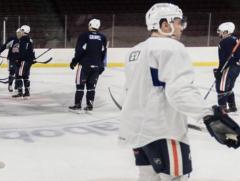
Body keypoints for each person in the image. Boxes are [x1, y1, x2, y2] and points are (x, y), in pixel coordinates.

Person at [119, 3, 240, 180]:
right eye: (178, 22)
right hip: (164, 132)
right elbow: (179, 92)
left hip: (136, 132)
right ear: (164, 25)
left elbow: (131, 90)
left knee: (147, 176)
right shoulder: (172, 48)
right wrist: (209, 116)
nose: (181, 27)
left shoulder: (134, 51)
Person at [68, 19, 107, 113]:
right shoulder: (103, 37)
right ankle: (89, 106)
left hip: (84, 65)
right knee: (91, 87)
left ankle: (78, 105)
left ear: (90, 25)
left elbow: (79, 51)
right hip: (97, 66)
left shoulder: (84, 36)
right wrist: (101, 65)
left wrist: (74, 61)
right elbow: (104, 53)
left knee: (80, 86)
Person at [214, 22, 240, 113]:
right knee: (228, 87)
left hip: (229, 67)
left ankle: (222, 109)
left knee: (221, 87)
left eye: (220, 31)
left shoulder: (224, 42)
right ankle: (232, 107)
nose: (219, 33)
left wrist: (219, 71)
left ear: (226, 32)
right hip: (236, 68)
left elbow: (224, 60)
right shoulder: (235, 39)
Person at [12, 25, 34, 99]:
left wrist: (18, 59)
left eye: (21, 30)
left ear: (24, 31)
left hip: (23, 61)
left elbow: (22, 52)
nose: (20, 32)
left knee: (18, 75)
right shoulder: (29, 39)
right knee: (25, 76)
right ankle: (27, 92)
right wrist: (32, 59)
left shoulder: (23, 39)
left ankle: (20, 92)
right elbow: (31, 51)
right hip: (28, 61)